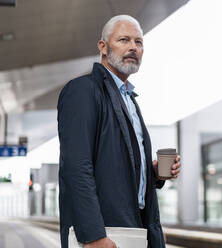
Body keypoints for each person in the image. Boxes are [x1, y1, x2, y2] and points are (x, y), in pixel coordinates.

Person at [57, 15, 181, 248]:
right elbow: (76, 167)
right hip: (105, 232)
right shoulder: (83, 91)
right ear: (103, 47)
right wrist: (93, 235)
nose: (133, 47)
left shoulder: (130, 100)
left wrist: (152, 173)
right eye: (124, 40)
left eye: (139, 42)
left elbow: (115, 166)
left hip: (135, 228)